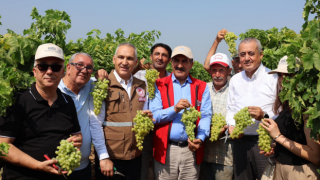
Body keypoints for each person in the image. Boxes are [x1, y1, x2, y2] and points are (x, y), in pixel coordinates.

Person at [0, 43, 82, 180]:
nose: (49, 71)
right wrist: (38, 165)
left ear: (63, 72)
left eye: (55, 67)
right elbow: (2, 146)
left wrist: (77, 141)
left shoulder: (68, 101)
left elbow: (77, 135)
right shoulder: (18, 100)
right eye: (43, 66)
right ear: (34, 71)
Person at [150, 45, 212, 179]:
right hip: (166, 150)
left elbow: (206, 115)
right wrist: (174, 109)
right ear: (171, 63)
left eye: (184, 61)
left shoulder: (201, 86)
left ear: (191, 64)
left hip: (191, 151)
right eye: (176, 61)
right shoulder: (159, 85)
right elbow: (154, 116)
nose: (179, 65)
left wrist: (200, 138)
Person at [95, 43, 153, 180]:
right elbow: (95, 124)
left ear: (136, 62)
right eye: (121, 57)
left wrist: (147, 117)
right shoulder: (104, 84)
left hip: (135, 156)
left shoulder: (141, 85)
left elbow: (143, 112)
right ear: (114, 59)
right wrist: (103, 157)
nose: (124, 62)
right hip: (111, 157)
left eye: (129, 58)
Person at [225, 38, 278, 180]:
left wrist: (264, 115)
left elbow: (280, 112)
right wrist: (231, 125)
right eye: (242, 54)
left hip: (264, 143)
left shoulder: (273, 78)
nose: (246, 58)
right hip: (240, 143)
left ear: (261, 55)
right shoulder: (235, 80)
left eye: (251, 53)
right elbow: (230, 109)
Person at [260, 55, 320, 180]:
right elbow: (294, 140)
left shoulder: (307, 108)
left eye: (289, 75)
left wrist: (278, 137)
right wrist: (275, 146)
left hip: (300, 173)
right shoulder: (289, 104)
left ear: (300, 77)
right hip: (282, 169)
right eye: (280, 75)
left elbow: (315, 155)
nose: (283, 79)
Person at [58, 52, 113, 179]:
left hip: (83, 166)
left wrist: (101, 73)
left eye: (89, 68)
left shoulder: (90, 86)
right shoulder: (55, 89)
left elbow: (125, 77)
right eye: (79, 65)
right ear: (68, 67)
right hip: (58, 164)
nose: (84, 70)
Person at [133, 43, 172, 180]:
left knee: (163, 170)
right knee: (142, 167)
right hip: (143, 129)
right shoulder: (139, 75)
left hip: (164, 130)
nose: (160, 57)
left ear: (169, 60)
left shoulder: (172, 80)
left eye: (164, 55)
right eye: (157, 54)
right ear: (151, 57)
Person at [200, 53, 233, 180]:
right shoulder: (203, 89)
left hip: (225, 158)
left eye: (221, 70)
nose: (217, 74)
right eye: (214, 70)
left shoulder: (234, 91)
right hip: (203, 155)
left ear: (229, 71)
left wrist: (225, 131)